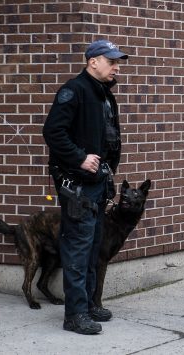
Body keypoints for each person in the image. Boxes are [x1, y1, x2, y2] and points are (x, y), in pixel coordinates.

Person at [42, 40, 127, 335]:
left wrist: (107, 171)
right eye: (111, 61)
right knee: (78, 249)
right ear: (93, 62)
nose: (117, 67)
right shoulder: (74, 90)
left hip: (98, 184)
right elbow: (53, 131)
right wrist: (79, 158)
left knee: (92, 247)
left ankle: (90, 304)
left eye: (118, 62)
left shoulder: (103, 93)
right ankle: (75, 314)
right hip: (78, 186)